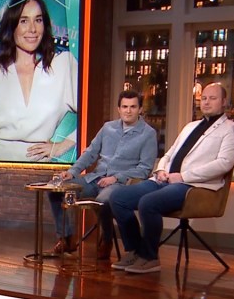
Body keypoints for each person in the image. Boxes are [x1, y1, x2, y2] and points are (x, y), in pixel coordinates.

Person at [109, 82, 234, 274]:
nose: (206, 102)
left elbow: (224, 164)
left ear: (224, 102)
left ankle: (149, 257)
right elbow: (169, 153)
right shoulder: (190, 126)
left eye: (212, 98)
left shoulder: (231, 129)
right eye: (203, 98)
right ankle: (135, 250)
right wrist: (160, 170)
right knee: (118, 198)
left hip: (194, 185)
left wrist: (183, 176)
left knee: (148, 202)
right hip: (164, 180)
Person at [46, 89, 157, 258]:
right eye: (124, 107)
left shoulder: (148, 134)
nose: (128, 111)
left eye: (133, 107)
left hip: (120, 183)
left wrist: (116, 177)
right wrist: (73, 171)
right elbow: (91, 153)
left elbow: (145, 168)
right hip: (95, 178)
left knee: (104, 201)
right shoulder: (108, 128)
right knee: (56, 190)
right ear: (118, 109)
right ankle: (66, 238)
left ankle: (106, 240)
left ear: (140, 109)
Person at [0, 0, 79, 162]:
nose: (33, 29)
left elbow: (92, 112)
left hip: (40, 166)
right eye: (24, 21)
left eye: (38, 20)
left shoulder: (62, 64)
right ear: (12, 26)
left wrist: (62, 146)